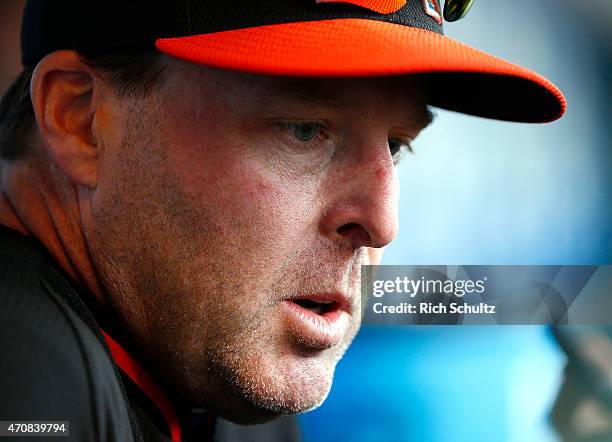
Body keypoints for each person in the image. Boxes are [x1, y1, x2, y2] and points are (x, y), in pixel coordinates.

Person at [0, 1, 565, 441]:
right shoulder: (25, 371)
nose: (381, 222)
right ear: (79, 120)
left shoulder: (210, 345)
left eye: (395, 146)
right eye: (302, 129)